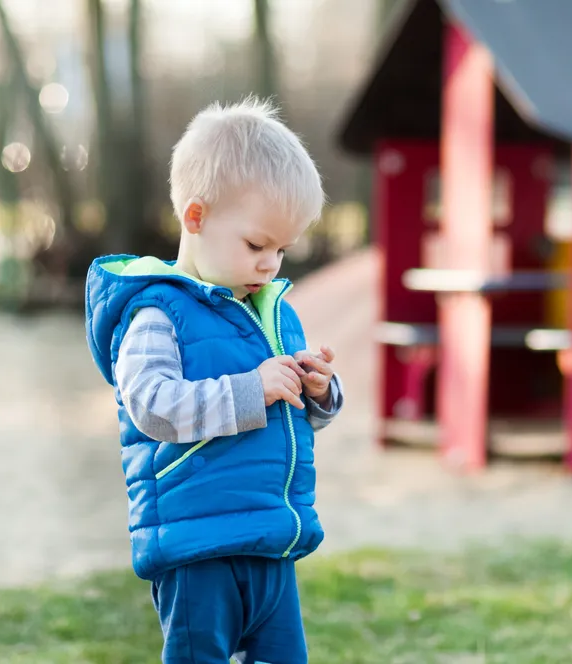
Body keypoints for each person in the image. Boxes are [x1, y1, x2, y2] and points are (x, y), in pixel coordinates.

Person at [84, 96, 343, 663]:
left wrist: (318, 392)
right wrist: (253, 388)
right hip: (196, 548)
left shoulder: (272, 312)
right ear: (196, 218)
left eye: (282, 249)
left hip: (271, 538)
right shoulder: (155, 315)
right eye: (256, 245)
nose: (271, 264)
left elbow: (292, 417)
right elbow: (153, 407)